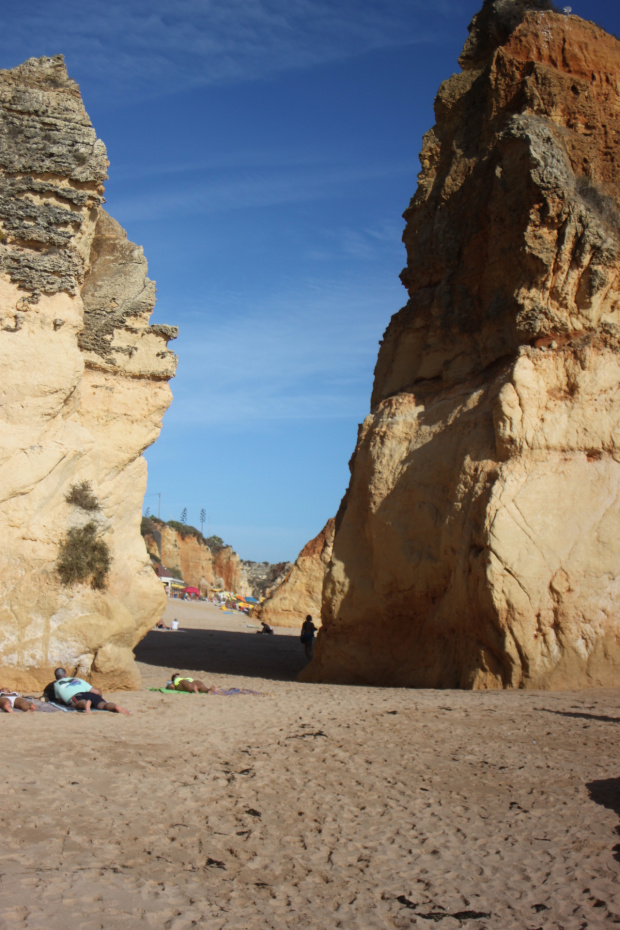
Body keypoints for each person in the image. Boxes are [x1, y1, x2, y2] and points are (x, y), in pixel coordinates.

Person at [52, 668, 130, 715]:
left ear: (56, 677)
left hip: (77, 695)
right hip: (89, 694)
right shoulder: (77, 679)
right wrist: (99, 695)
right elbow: (96, 692)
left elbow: (60, 700)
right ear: (66, 674)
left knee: (77, 703)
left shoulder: (56, 684)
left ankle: (86, 704)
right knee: (102, 705)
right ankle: (115, 707)